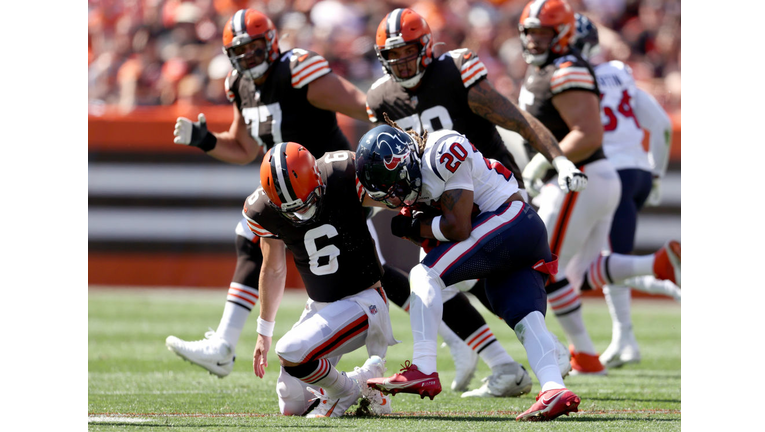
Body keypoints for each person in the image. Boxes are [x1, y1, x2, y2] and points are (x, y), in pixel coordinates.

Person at [164, 8, 522, 398]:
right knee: (252, 239)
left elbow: (365, 107)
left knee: (382, 273)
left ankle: (477, 345)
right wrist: (206, 140)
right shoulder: (240, 85)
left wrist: (399, 151)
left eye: (254, 50)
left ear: (270, 43)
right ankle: (224, 344)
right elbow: (245, 146)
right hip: (290, 197)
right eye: (241, 52)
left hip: (333, 188)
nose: (248, 60)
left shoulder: (296, 70)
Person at [365, 7, 585, 396]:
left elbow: (514, 118)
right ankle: (525, 372)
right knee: (478, 293)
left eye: (407, 52)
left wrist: (560, 158)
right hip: (454, 208)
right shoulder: (382, 98)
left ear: (427, 46)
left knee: (434, 276)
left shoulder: (454, 72)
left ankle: (435, 365)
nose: (400, 62)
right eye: (392, 55)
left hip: (492, 202)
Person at [357, 120, 582, 421]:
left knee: (425, 274)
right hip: (517, 238)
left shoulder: (442, 151)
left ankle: (424, 367)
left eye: (398, 184)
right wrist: (417, 226)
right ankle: (554, 389)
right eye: (389, 192)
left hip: (511, 220)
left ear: (409, 160)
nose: (396, 197)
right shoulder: (414, 187)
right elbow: (438, 235)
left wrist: (414, 224)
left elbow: (458, 227)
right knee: (525, 319)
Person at [516, 0, 680, 375]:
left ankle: (581, 354)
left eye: (545, 33)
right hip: (600, 177)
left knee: (540, 267)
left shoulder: (567, 69)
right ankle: (655, 265)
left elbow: (588, 133)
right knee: (582, 270)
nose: (536, 41)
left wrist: (545, 159)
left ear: (566, 35)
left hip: (579, 177)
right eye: (531, 33)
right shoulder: (569, 69)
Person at [243, 141, 400, 417]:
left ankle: (347, 389)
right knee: (290, 404)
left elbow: (395, 198)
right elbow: (273, 269)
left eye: (306, 204)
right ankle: (365, 384)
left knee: (291, 350)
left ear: (317, 177)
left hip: (364, 302)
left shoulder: (341, 172)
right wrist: (263, 331)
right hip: (322, 306)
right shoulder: (262, 210)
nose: (302, 214)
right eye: (291, 210)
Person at [565, 13, 680, 368]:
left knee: (589, 264)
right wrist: (656, 175)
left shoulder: (569, 79)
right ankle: (625, 335)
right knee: (606, 259)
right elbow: (660, 125)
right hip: (638, 172)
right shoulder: (618, 72)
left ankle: (667, 291)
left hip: (606, 174)